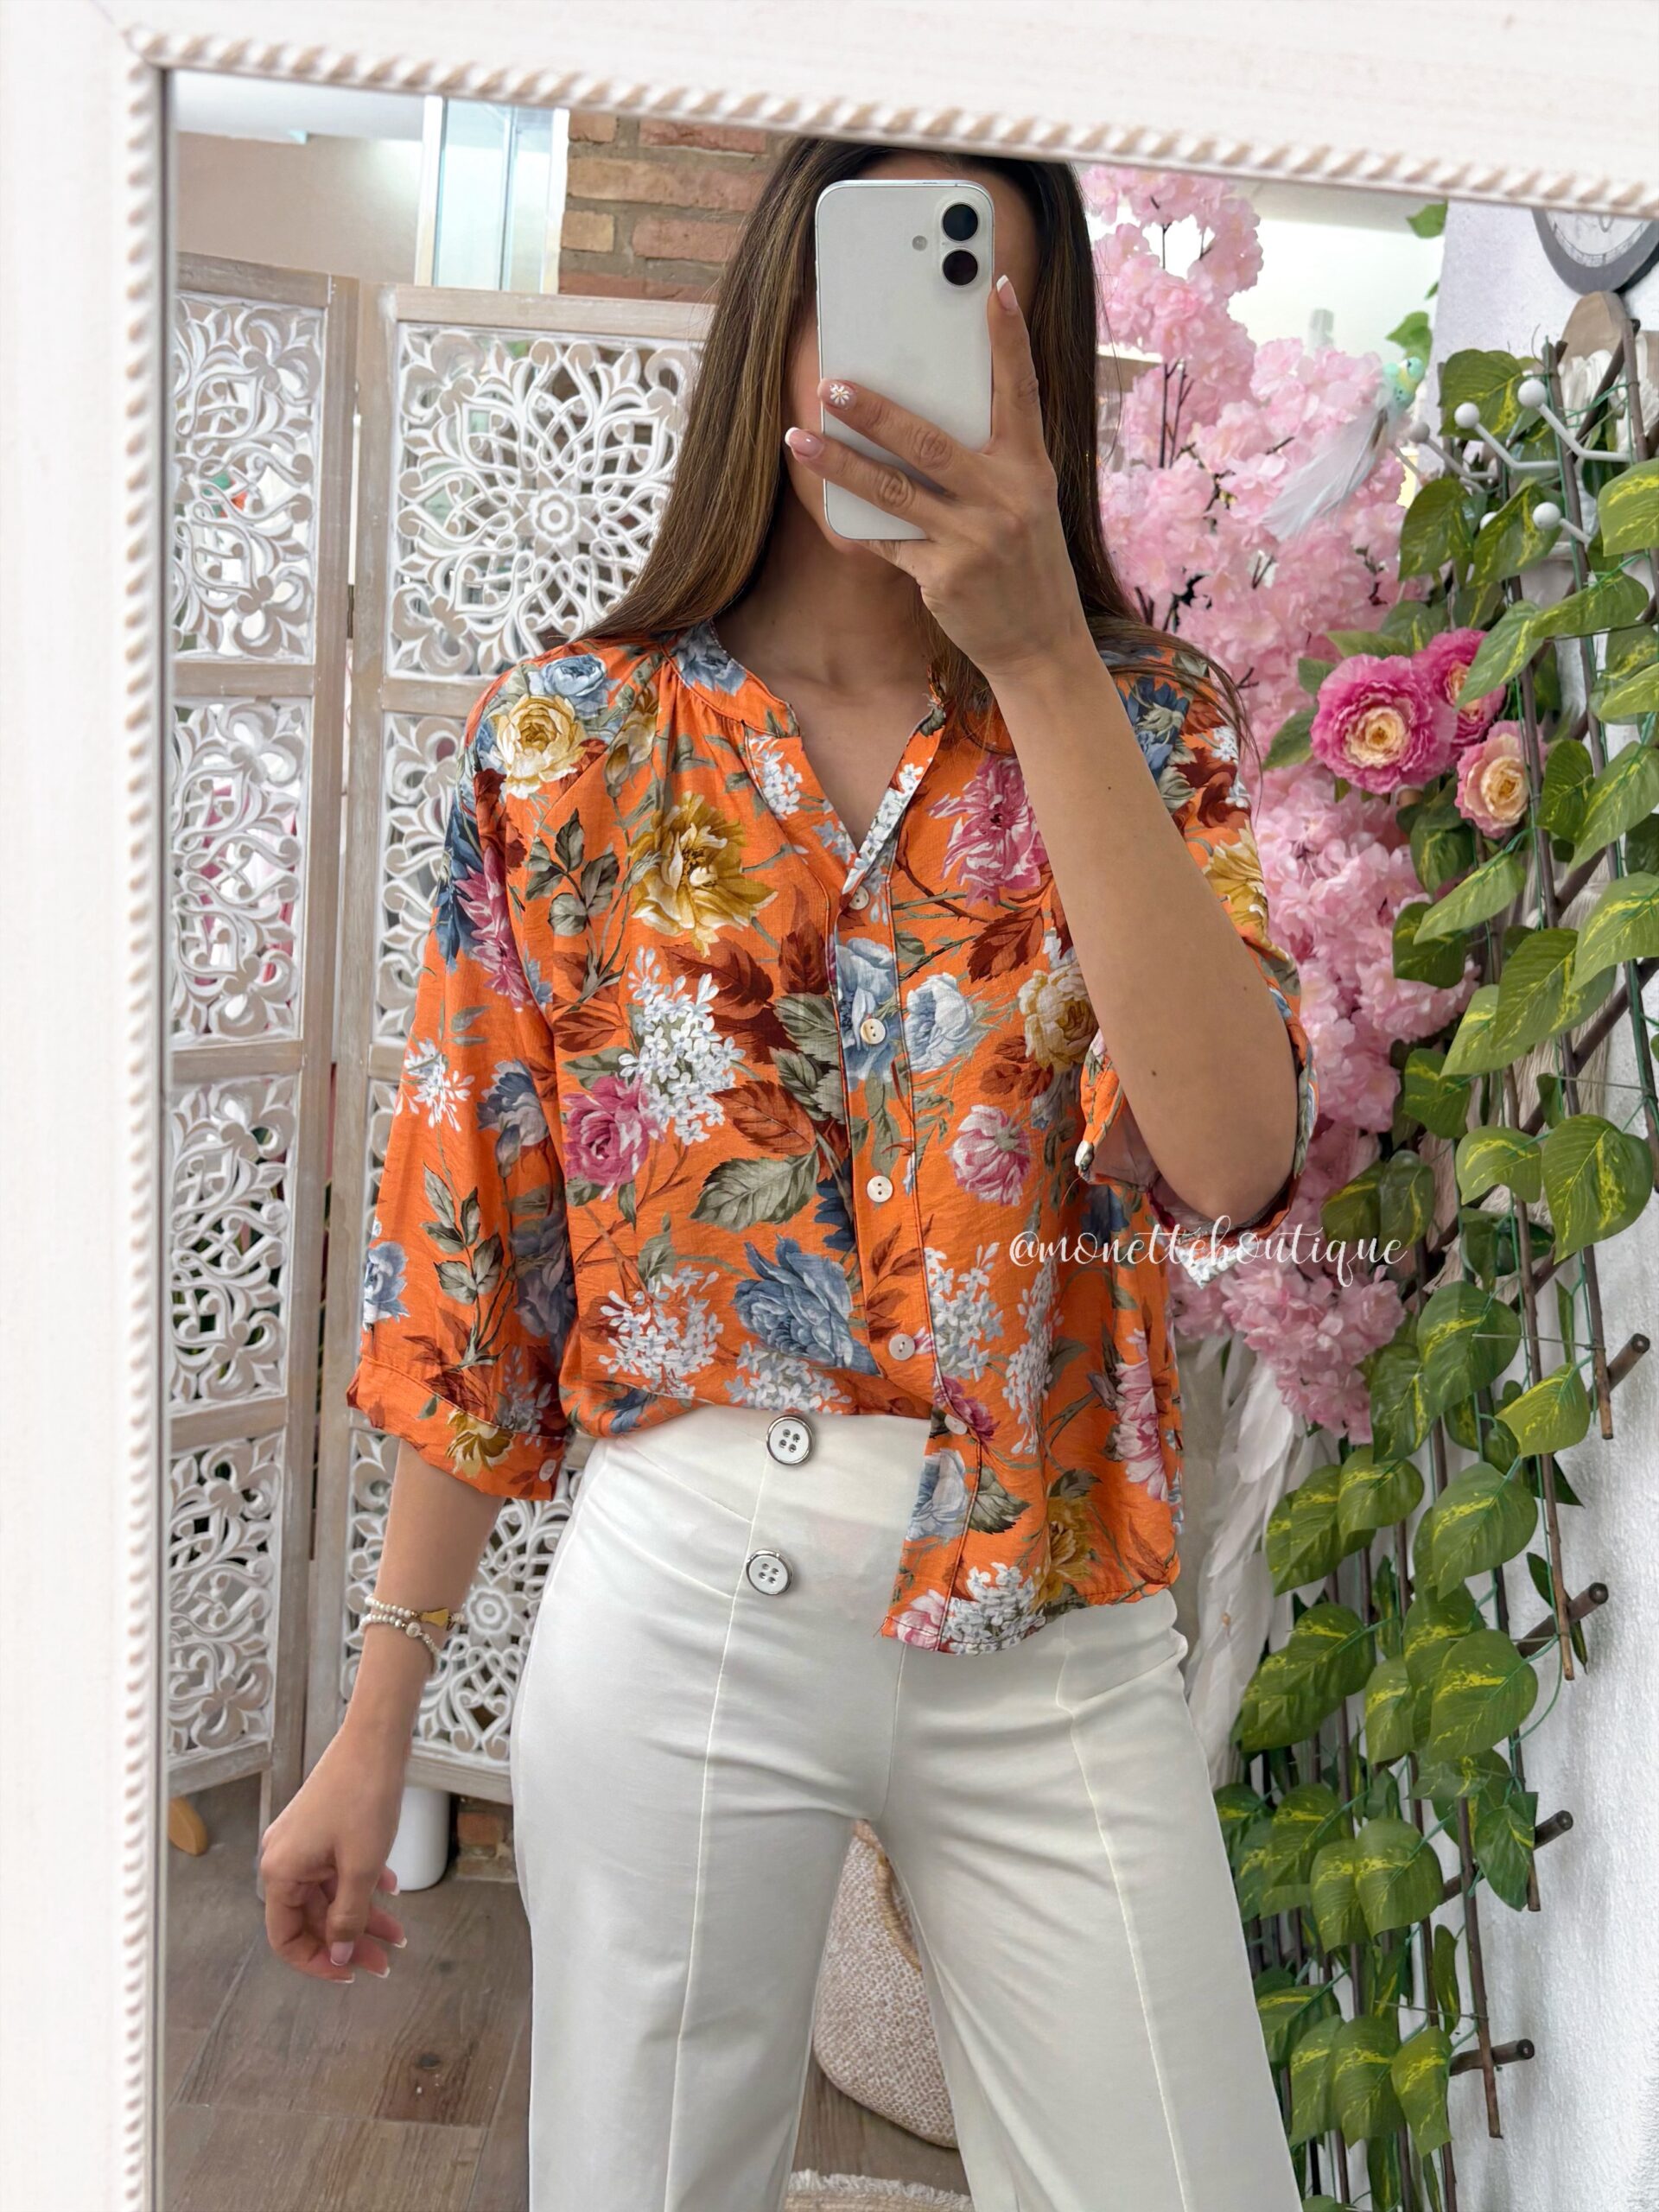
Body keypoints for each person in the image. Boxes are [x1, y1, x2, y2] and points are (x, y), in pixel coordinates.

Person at [259, 132, 1316, 2212]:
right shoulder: (573, 739)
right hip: (688, 1592)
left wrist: (1041, 655)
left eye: (984, 310)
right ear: (778, 330)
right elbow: (475, 1264)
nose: (920, 365)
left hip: (1057, 1609)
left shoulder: (1148, 719)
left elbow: (1229, 1155)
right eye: (877, 296)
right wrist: (375, 1722)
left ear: (1046, 375)